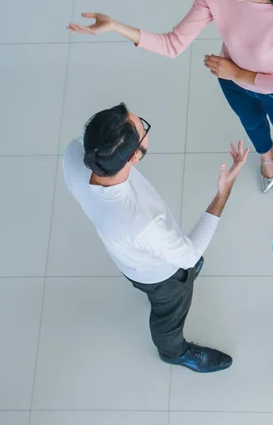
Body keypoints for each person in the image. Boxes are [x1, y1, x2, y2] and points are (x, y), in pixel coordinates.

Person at [67, 0, 273, 202]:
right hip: (233, 83)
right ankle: (267, 155)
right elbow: (172, 44)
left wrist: (237, 72)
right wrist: (116, 27)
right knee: (252, 124)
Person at [63, 102, 248, 373]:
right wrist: (223, 192)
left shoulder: (74, 153)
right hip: (162, 275)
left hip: (131, 258)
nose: (143, 125)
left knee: (167, 271)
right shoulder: (140, 222)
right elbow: (188, 254)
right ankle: (173, 352)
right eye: (143, 128)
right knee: (168, 313)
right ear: (134, 157)